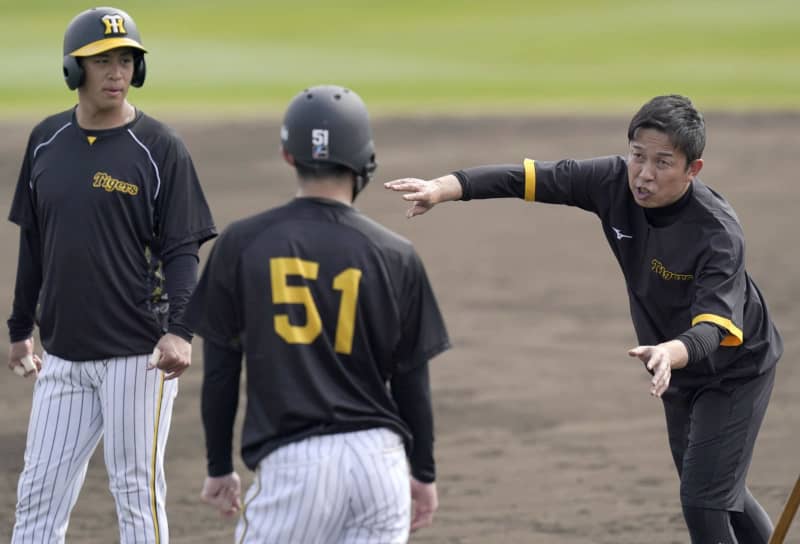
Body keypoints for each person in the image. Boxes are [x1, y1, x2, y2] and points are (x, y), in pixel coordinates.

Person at [384, 94, 780, 544]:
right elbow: (528, 178)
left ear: (694, 169)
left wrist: (670, 351)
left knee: (703, 500)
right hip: (673, 368)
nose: (645, 174)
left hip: (735, 368)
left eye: (663, 162)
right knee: (713, 483)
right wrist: (444, 187)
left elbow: (714, 328)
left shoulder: (717, 232)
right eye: (638, 156)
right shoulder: (613, 181)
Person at [184, 84, 450, 543]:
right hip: (379, 465)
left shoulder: (242, 243)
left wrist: (218, 467)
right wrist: (423, 472)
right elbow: (412, 381)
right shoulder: (396, 254)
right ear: (365, 160)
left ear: (289, 156)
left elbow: (221, 373)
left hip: (295, 466)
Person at [6, 6, 216, 543]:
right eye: (103, 61)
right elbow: (34, 242)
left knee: (137, 497)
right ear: (75, 70)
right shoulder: (46, 141)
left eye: (126, 60)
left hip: (138, 358)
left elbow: (182, 250)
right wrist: (18, 330)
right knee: (37, 497)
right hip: (64, 357)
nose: (117, 72)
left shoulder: (160, 147)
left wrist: (180, 331)